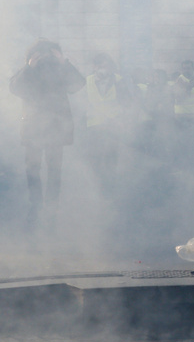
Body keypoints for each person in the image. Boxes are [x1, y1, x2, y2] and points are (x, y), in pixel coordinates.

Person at [9, 39, 85, 224]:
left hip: (56, 129)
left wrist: (63, 62)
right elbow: (14, 88)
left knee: (54, 170)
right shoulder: (28, 72)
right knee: (32, 169)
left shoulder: (60, 71)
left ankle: (52, 206)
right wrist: (29, 67)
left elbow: (78, 84)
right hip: (33, 129)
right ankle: (36, 205)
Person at [84, 53, 136, 195]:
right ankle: (98, 182)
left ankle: (109, 187)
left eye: (105, 66)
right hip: (94, 125)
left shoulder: (118, 80)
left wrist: (123, 120)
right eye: (100, 65)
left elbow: (127, 103)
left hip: (113, 125)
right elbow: (81, 102)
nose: (103, 69)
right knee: (93, 157)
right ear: (94, 67)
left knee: (111, 157)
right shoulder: (87, 81)